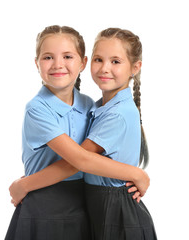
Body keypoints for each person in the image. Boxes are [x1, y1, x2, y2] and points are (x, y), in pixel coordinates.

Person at [5, 25, 150, 240]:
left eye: (67, 56)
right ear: (36, 63)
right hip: (44, 207)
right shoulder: (37, 109)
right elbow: (79, 160)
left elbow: (81, 161)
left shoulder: (90, 106)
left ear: (82, 62)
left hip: (83, 207)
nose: (58, 65)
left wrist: (22, 185)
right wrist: (136, 173)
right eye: (47, 57)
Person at [83, 27, 157, 239]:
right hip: (100, 206)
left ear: (135, 67)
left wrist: (28, 184)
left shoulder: (118, 114)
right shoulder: (98, 108)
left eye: (115, 61)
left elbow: (78, 159)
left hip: (115, 213)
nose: (104, 68)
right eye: (98, 59)